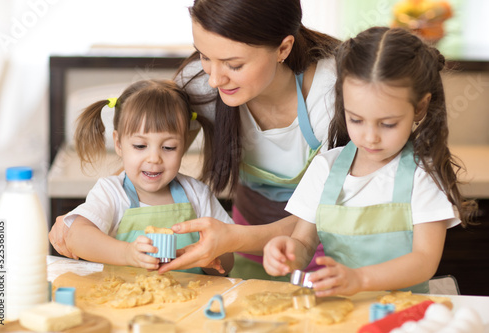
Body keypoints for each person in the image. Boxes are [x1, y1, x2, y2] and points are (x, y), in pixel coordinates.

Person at [50, 0, 340, 280]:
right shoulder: (199, 83)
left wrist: (233, 238)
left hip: (327, 245)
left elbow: (328, 210)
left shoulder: (332, 93)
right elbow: (155, 154)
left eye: (233, 64)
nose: (214, 80)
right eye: (203, 55)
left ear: (283, 48)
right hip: (245, 243)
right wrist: (91, 212)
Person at [262, 26, 477, 296]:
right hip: (343, 311)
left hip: (406, 311)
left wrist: (360, 279)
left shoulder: (423, 175)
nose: (370, 137)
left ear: (419, 107)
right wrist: (286, 253)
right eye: (356, 120)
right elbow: (303, 243)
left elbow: (424, 261)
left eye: (387, 124)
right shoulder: (325, 168)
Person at [62, 79, 234, 276]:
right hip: (123, 302)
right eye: (140, 146)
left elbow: (227, 262)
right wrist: (127, 254)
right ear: (118, 143)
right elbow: (76, 237)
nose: (154, 158)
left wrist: (210, 257)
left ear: (184, 145)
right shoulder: (111, 192)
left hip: (187, 303)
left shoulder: (198, 194)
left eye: (168, 147)